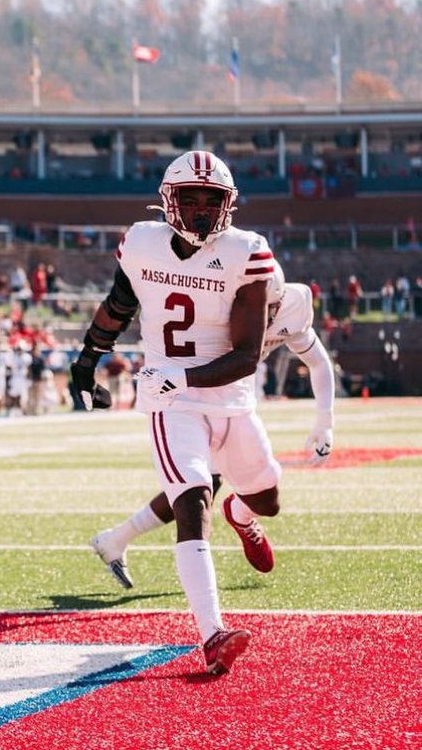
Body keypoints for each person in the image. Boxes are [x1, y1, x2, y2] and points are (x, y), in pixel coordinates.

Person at [69, 150, 279, 676]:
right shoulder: (142, 242)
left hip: (227, 394)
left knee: (267, 499)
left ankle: (243, 516)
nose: (204, 210)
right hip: (170, 400)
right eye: (192, 198)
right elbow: (119, 305)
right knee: (192, 498)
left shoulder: (247, 252)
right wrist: (88, 357)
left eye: (214, 200)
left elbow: (246, 356)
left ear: (228, 206)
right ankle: (212, 635)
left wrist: (182, 376)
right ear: (170, 200)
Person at [89, 261, 336, 588]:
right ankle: (208, 620)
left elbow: (317, 361)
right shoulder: (213, 308)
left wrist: (325, 421)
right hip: (188, 400)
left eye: (269, 306)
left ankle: (121, 538)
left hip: (231, 403)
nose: (263, 313)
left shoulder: (293, 306)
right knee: (196, 491)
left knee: (254, 499)